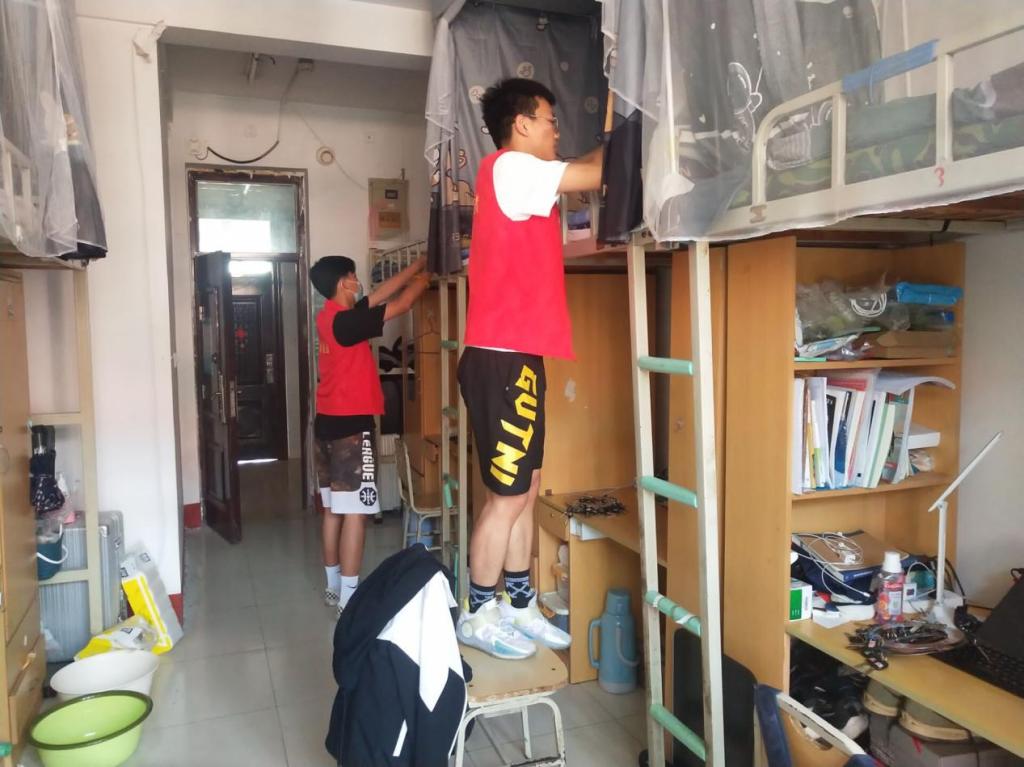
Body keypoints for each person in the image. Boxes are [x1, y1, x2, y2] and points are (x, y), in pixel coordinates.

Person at [456, 78, 604, 659]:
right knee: (506, 496)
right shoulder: (512, 168)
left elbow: (585, 167)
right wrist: (633, 137)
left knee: (525, 487)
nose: (555, 131)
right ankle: (477, 611)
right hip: (500, 357)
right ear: (521, 124)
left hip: (516, 354)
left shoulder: (516, 176)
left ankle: (518, 602)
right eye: (549, 120)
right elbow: (595, 172)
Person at [311, 254, 431, 615]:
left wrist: (417, 265)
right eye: (353, 276)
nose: (358, 281)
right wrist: (430, 276)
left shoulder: (329, 316)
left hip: (326, 423)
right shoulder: (349, 324)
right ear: (344, 282)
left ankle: (333, 586)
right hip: (351, 428)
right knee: (356, 514)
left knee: (333, 510)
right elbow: (402, 303)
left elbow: (379, 295)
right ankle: (350, 597)